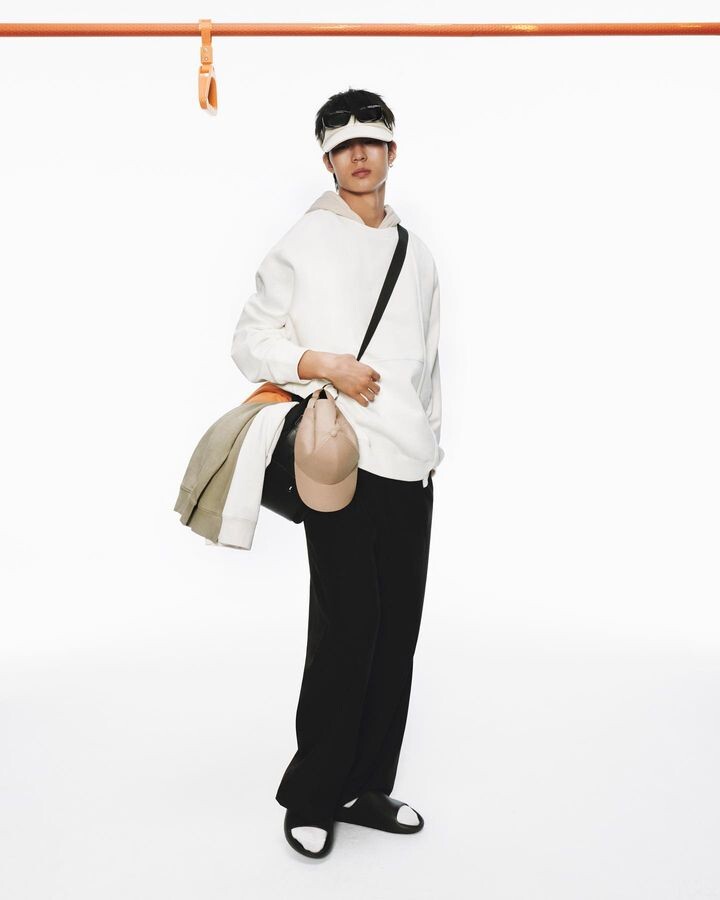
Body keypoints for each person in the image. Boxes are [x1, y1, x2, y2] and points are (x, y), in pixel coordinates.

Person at [231, 87, 444, 858]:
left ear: (392, 151)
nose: (359, 154)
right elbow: (250, 341)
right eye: (343, 143)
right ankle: (314, 793)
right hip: (340, 455)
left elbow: (430, 363)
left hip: (411, 463)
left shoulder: (416, 253)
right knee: (347, 628)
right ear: (327, 159)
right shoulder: (305, 239)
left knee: (396, 632)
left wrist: (434, 445)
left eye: (371, 140)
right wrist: (321, 362)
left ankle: (364, 787)